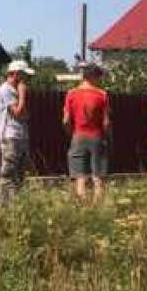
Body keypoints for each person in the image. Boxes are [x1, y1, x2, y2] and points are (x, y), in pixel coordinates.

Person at [63, 62, 111, 202]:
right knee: (98, 176)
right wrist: (107, 138)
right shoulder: (102, 95)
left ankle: (83, 209)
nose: (100, 80)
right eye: (99, 76)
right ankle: (98, 208)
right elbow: (106, 122)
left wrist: (72, 135)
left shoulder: (71, 94)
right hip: (97, 137)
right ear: (93, 76)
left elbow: (66, 121)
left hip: (78, 136)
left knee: (80, 177)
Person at [0, 60, 35, 202]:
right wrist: (22, 95)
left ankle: (17, 204)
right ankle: (4, 205)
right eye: (24, 75)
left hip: (20, 136)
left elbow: (26, 115)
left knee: (20, 174)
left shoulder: (14, 90)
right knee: (8, 174)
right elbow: (18, 113)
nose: (26, 79)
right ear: (16, 74)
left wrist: (22, 105)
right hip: (10, 136)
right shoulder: (5, 89)